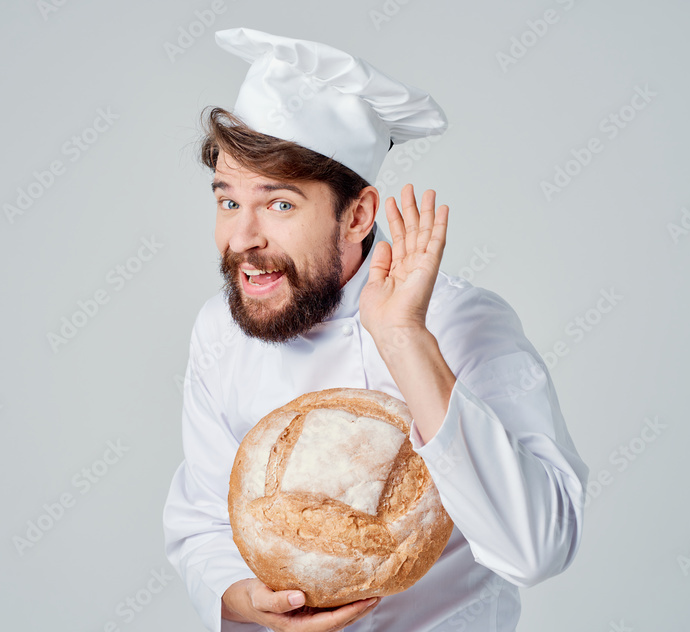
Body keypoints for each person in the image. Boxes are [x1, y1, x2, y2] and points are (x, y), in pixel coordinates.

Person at [164, 27, 589, 632]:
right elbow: (204, 518)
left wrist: (403, 338)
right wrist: (237, 594)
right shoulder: (219, 330)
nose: (241, 239)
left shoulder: (461, 323)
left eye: (280, 204)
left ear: (358, 215)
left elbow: (538, 548)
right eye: (228, 201)